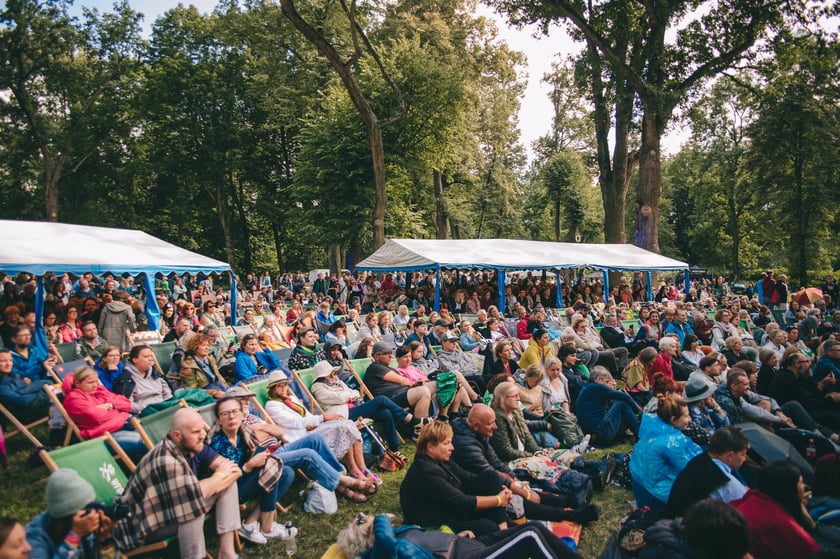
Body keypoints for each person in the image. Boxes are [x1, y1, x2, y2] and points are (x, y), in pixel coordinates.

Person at [111, 408, 241, 558]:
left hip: (167, 512)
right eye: (196, 432)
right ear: (177, 435)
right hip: (143, 527)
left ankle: (227, 553)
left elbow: (234, 470)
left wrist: (220, 477)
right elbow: (197, 494)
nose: (203, 435)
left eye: (202, 430)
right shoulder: (165, 460)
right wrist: (220, 475)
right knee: (192, 507)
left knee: (227, 485)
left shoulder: (194, 445)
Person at [263, 370, 376, 499]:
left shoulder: (291, 398)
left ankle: (359, 469)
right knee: (341, 429)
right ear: (272, 388)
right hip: (300, 438)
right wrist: (323, 417)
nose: (284, 388)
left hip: (311, 430)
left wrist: (325, 419)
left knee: (346, 424)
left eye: (285, 385)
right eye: (280, 386)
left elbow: (308, 416)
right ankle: (349, 477)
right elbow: (297, 422)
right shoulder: (272, 406)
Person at [400, 420, 512, 536]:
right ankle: (502, 530)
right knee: (489, 527)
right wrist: (498, 500)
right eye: (446, 443)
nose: (452, 447)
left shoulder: (440, 460)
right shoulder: (426, 472)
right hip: (439, 523)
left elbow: (467, 477)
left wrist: (500, 489)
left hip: (452, 510)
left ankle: (503, 526)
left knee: (491, 476)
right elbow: (462, 501)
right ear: (430, 447)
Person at [207, 397, 294, 544]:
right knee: (269, 469)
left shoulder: (243, 433)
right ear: (218, 420)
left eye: (235, 411)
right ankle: (267, 528)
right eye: (225, 413)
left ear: (242, 415)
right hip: (227, 491)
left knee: (286, 473)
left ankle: (250, 522)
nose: (231, 416)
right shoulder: (218, 444)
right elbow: (225, 480)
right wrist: (249, 466)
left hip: (244, 480)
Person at [337, 512, 583, 559]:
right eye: (370, 526)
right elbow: (388, 543)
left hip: (467, 544)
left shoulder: (400, 533)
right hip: (468, 557)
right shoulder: (380, 552)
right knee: (529, 536)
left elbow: (429, 542)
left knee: (535, 528)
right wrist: (378, 519)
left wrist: (456, 535)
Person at [310, 360, 417, 454]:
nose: (334, 376)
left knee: (385, 413)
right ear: (323, 376)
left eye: (334, 373)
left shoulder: (338, 382)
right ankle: (410, 419)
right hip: (344, 414)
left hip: (355, 407)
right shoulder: (317, 387)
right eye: (331, 374)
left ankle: (394, 448)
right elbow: (335, 398)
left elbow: (355, 392)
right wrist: (349, 396)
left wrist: (349, 396)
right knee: (381, 399)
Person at [731, 461, 822, 559]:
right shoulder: (779, 523)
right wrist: (811, 524)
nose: (803, 487)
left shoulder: (752, 498)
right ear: (789, 489)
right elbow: (813, 552)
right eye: (800, 483)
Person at [629, 394, 702, 509]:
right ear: (673, 419)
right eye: (686, 416)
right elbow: (689, 469)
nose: (690, 420)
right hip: (657, 495)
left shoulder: (654, 429)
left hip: (641, 487)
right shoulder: (672, 441)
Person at [26, 469, 117, 559]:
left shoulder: (85, 527)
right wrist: (73, 538)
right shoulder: (34, 538)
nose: (93, 513)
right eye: (87, 508)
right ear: (68, 515)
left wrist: (105, 541)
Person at [61, 366, 146, 457]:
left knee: (155, 436)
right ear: (77, 383)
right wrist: (117, 411)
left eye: (96, 381)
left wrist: (110, 405)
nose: (95, 385)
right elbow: (96, 417)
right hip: (106, 435)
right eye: (90, 382)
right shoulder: (74, 399)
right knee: (145, 442)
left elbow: (126, 403)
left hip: (126, 423)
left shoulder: (99, 390)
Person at [667, 427, 750, 518]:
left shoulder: (699, 461)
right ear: (730, 455)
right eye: (743, 454)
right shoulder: (725, 482)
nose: (744, 459)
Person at [364, 342, 433, 424]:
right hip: (391, 399)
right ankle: (419, 428)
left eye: (390, 353)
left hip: (401, 393)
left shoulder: (389, 368)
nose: (390, 356)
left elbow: (406, 382)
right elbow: (403, 381)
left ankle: (437, 422)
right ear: (376, 356)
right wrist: (412, 385)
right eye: (386, 354)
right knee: (423, 391)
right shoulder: (375, 367)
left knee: (437, 386)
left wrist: (414, 385)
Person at [575, 366, 640, 446]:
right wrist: (638, 411)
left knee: (621, 408)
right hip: (599, 432)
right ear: (599, 380)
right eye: (607, 381)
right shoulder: (596, 387)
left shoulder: (588, 387)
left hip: (594, 434)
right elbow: (624, 396)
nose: (608, 384)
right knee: (621, 404)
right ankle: (639, 435)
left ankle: (634, 432)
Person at [111, 345, 173, 415]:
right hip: (144, 413)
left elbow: (168, 394)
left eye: (151, 356)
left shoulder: (155, 374)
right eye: (146, 357)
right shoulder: (126, 380)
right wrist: (147, 409)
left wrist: (164, 406)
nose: (151, 359)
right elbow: (128, 405)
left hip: (164, 408)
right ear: (135, 360)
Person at [0, 348, 52, 425]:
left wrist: (23, 391)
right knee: (59, 398)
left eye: (10, 360)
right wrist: (34, 388)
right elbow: (23, 401)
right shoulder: (2, 386)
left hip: (34, 402)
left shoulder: (14, 375)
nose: (9, 364)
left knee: (51, 385)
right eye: (3, 361)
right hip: (23, 415)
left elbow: (44, 382)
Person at [179, 333, 227, 398]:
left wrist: (227, 388)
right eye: (204, 345)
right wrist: (214, 393)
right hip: (205, 396)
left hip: (218, 388)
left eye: (208, 345)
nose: (207, 348)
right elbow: (191, 390)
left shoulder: (209, 358)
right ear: (195, 347)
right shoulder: (188, 366)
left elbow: (218, 376)